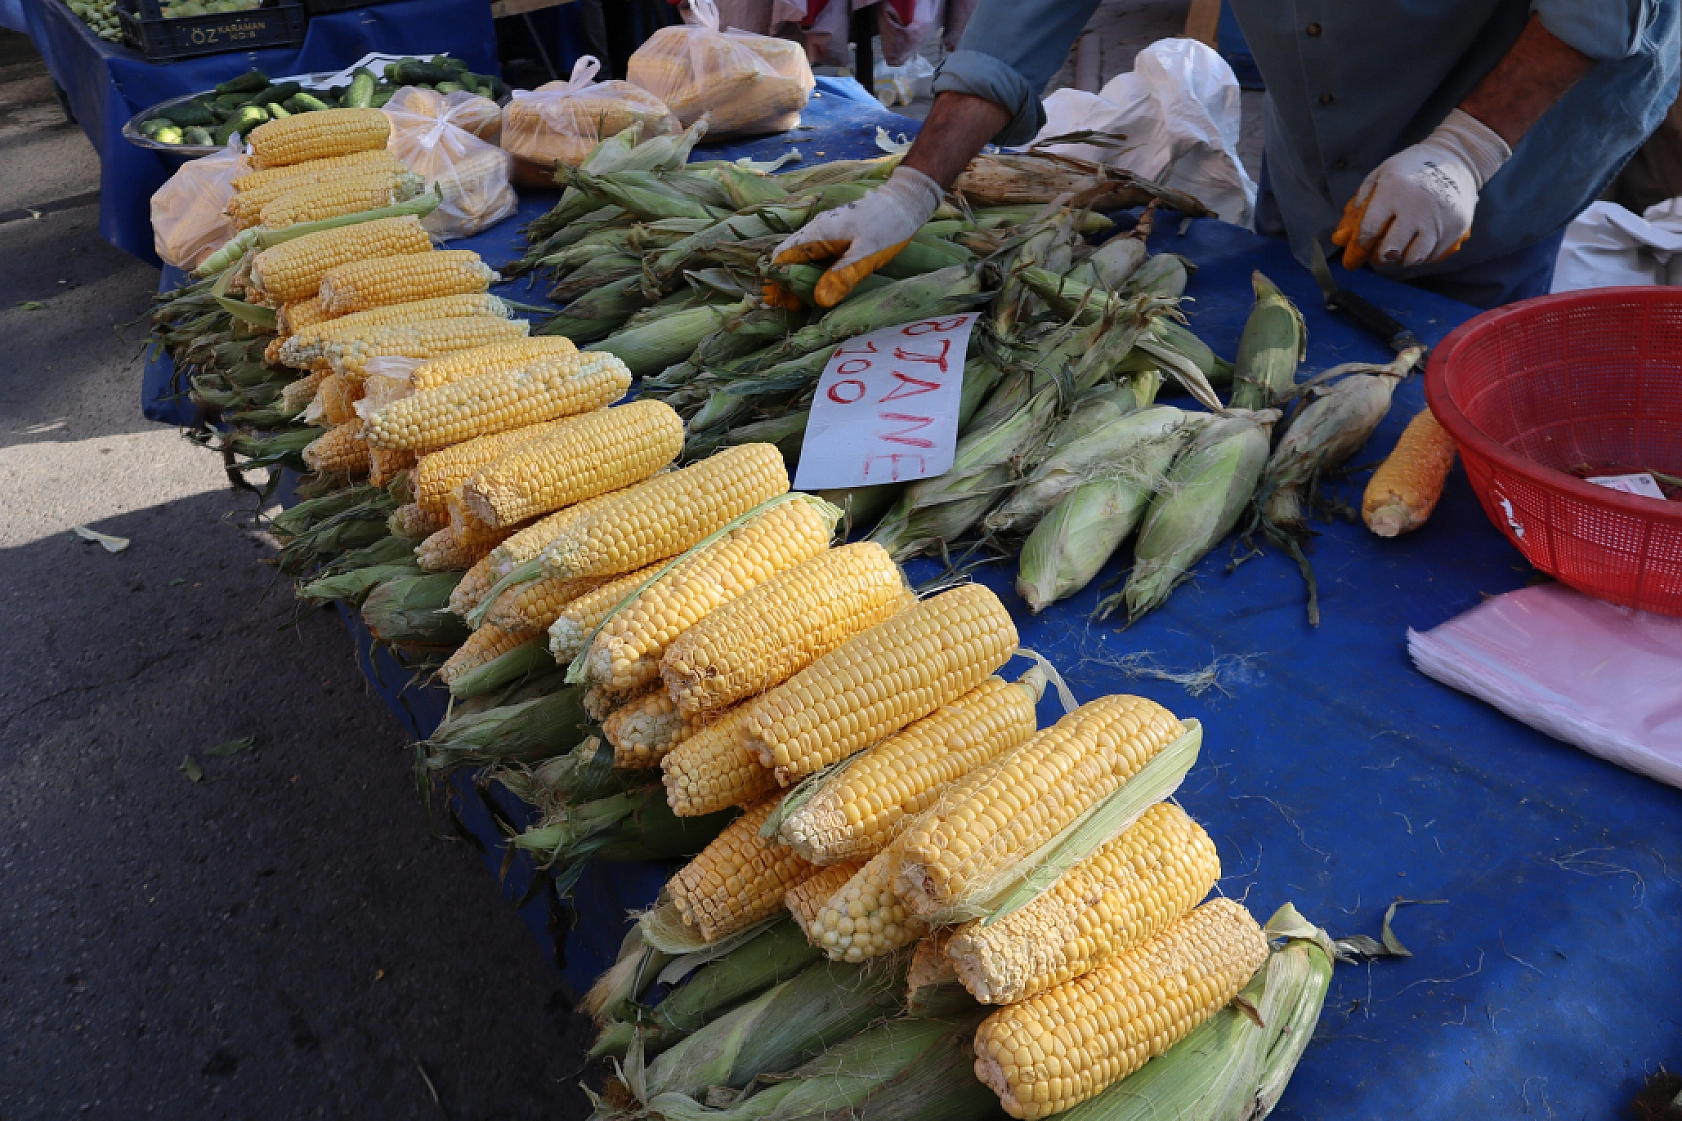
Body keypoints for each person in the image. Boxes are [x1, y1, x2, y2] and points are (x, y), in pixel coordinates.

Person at [777, 1, 1681, 309]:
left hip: (1512, 111)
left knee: (1445, 338)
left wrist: (1466, 148)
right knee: (1304, 284)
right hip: (1327, 99)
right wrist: (915, 185)